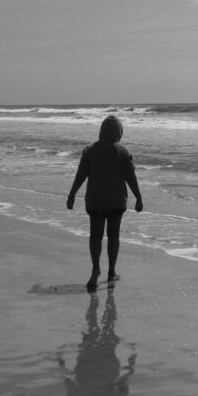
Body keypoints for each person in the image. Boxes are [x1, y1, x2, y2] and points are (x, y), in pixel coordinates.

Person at [66, 115, 143, 291]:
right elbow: (131, 178)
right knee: (113, 235)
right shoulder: (123, 152)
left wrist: (72, 195)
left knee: (96, 236)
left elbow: (81, 175)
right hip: (116, 202)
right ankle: (112, 271)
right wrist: (139, 197)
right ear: (119, 133)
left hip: (95, 201)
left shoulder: (89, 151)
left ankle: (95, 268)